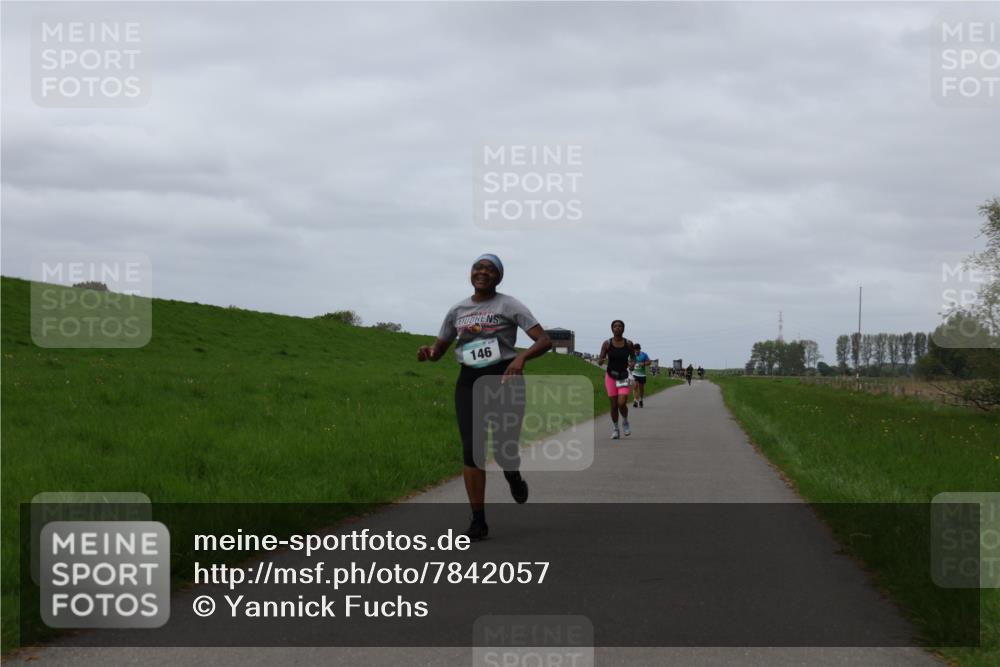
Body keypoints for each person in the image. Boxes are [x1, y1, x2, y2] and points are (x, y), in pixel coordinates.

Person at [417, 254, 551, 541]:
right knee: (472, 449)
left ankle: (513, 476)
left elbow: (544, 340)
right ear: (470, 273)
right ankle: (478, 521)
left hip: (505, 377)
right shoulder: (458, 310)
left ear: (498, 277)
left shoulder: (509, 304)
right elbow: (439, 351)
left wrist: (521, 359)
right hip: (469, 381)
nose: (483, 272)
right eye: (478, 267)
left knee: (504, 450)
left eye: (490, 269)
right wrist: (427, 353)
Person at [597, 320, 635, 439]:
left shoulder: (628, 343)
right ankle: (615, 429)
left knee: (621, 403)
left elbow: (633, 357)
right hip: (611, 376)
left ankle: (625, 421)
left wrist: (632, 364)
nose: (617, 328)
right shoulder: (607, 343)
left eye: (620, 326)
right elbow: (601, 357)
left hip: (623, 376)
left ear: (623, 329)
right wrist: (601, 360)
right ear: (612, 329)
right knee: (613, 405)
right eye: (615, 326)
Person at [631, 343, 651, 408]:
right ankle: (635, 401)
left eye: (637, 350)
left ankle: (641, 399)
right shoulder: (632, 355)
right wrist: (631, 364)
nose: (636, 351)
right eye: (635, 350)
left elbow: (649, 362)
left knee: (641, 388)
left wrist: (644, 363)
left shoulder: (644, 355)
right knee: (635, 386)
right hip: (634, 374)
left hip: (642, 375)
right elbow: (628, 361)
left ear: (639, 349)